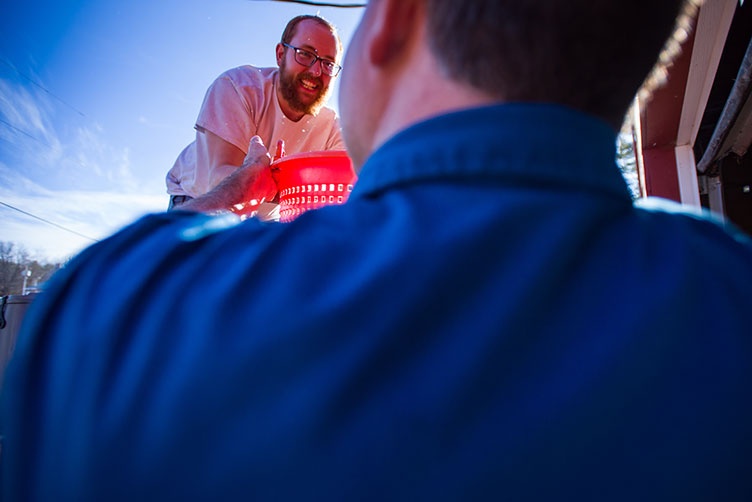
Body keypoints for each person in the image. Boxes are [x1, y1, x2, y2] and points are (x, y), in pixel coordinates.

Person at [3, 0, 752, 499]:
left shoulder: (117, 311)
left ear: (390, 24)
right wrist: (236, 194)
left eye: (333, 57)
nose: (321, 71)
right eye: (309, 56)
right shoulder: (731, 298)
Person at [165, 14, 346, 216]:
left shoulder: (333, 128)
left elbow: (344, 192)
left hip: (264, 219)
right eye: (305, 54)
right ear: (280, 54)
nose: (315, 71)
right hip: (200, 201)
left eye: (328, 64)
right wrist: (256, 174)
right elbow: (216, 179)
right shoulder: (238, 87)